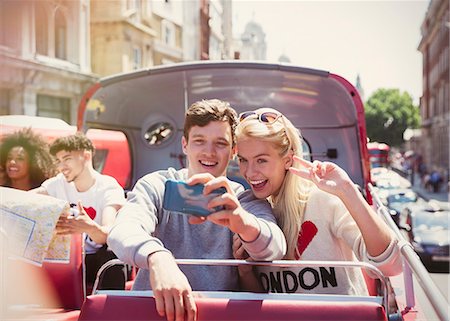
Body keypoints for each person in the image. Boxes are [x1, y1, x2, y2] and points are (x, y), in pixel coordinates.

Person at [107, 99, 286, 321]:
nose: (209, 152)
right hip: (154, 312)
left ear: (233, 151)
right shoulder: (158, 185)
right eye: (199, 141)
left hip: (218, 315)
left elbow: (275, 248)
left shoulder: (243, 198)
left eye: (220, 143)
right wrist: (158, 258)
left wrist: (242, 222)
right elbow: (123, 229)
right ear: (185, 145)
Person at [233, 108, 402, 295]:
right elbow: (263, 300)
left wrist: (347, 190)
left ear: (288, 160)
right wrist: (245, 272)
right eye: (243, 160)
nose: (249, 172)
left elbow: (391, 266)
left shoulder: (324, 199)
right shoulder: (254, 219)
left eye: (261, 160)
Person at [31, 132, 126, 290]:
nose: (62, 167)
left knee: (112, 255)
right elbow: (26, 198)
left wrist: (88, 227)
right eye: (59, 161)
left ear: (86, 156)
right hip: (63, 258)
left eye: (67, 159)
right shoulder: (57, 184)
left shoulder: (108, 187)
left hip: (94, 258)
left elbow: (107, 234)